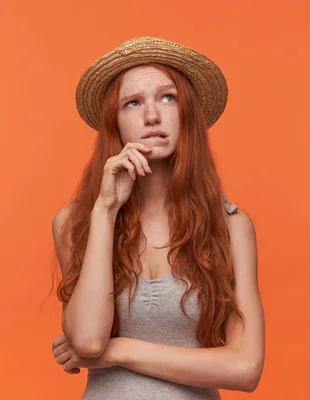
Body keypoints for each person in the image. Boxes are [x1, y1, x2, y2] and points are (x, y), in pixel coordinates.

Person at [49, 36, 265, 399]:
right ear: (114, 124)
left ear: (187, 114)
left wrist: (119, 350)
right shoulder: (76, 222)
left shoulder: (230, 226)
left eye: (168, 97)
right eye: (132, 103)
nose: (152, 116)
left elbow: (245, 369)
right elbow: (87, 340)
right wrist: (105, 210)